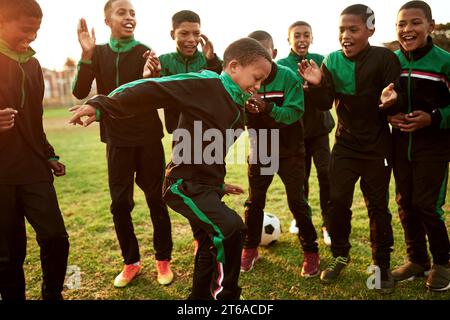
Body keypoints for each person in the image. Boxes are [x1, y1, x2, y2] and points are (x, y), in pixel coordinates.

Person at [69, 37, 272, 300]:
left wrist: (218, 185)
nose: (257, 86)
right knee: (231, 228)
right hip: (182, 185)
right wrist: (101, 105)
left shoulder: (236, 104)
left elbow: (209, 153)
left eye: (261, 82)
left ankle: (198, 301)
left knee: (210, 244)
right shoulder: (204, 83)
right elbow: (151, 87)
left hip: (206, 187)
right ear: (233, 66)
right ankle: (227, 295)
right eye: (256, 78)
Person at [298, 4, 401, 292]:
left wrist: (391, 100)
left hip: (377, 147)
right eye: (342, 29)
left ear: (370, 30)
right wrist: (317, 84)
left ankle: (380, 267)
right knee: (337, 202)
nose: (346, 35)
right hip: (344, 146)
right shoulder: (331, 60)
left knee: (378, 207)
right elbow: (323, 103)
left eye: (353, 29)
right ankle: (340, 255)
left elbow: (397, 99)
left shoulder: (385, 58)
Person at [72, 0, 174, 287]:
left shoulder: (145, 52)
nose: (129, 17)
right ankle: (131, 263)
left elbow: (153, 97)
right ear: (108, 21)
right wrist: (87, 54)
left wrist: (153, 78)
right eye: (122, 13)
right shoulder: (99, 53)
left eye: (132, 13)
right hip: (116, 140)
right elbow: (80, 91)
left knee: (156, 199)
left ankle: (162, 261)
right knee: (119, 204)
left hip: (148, 138)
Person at [0, 0, 69, 300]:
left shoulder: (33, 63)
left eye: (37, 29)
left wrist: (49, 154)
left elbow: (34, 118)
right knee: (8, 253)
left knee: (56, 238)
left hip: (33, 168)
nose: (32, 36)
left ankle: (51, 295)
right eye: (26, 29)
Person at [240, 31, 320, 278]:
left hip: (290, 150)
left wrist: (267, 107)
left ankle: (311, 251)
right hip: (261, 149)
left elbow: (294, 112)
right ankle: (250, 248)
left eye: (264, 53)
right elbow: (240, 117)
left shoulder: (287, 76)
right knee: (255, 203)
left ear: (273, 54)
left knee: (297, 202)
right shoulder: (244, 79)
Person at [388, 0, 450, 292]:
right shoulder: (391, 62)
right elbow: (381, 98)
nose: (407, 29)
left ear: (431, 26)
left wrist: (434, 118)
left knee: (427, 205)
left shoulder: (444, 62)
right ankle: (417, 260)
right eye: (401, 24)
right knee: (405, 204)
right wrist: (388, 112)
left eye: (415, 22)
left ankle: (442, 264)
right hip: (400, 145)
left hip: (434, 147)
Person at [278, 21, 335, 246]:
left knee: (326, 175)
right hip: (295, 134)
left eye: (306, 35)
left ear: (312, 38)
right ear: (289, 39)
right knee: (300, 178)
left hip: (320, 131)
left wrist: (315, 86)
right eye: (297, 35)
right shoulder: (281, 65)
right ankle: (301, 219)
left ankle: (328, 224)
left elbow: (329, 94)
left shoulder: (322, 60)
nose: (302, 39)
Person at [143, 10, 222, 134]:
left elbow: (225, 85)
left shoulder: (211, 60)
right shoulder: (163, 61)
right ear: (172, 34)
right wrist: (152, 77)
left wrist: (212, 61)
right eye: (184, 33)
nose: (191, 39)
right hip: (178, 131)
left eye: (196, 34)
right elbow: (155, 97)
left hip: (208, 130)